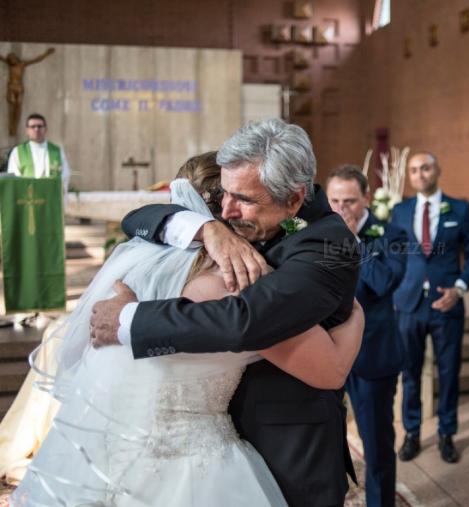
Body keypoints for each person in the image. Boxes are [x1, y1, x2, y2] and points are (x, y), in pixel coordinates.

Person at [11, 152, 365, 505]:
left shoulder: (130, 273)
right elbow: (330, 368)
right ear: (227, 210)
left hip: (121, 455)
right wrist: (355, 314)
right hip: (205, 462)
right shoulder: (241, 281)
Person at [391, 152, 469, 464]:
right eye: (414, 170)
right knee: (410, 373)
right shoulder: (399, 211)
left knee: (449, 372)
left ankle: (446, 434)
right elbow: (393, 254)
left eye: (425, 168)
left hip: (447, 302)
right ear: (410, 176)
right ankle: (412, 433)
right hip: (409, 303)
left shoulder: (460, 208)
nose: (420, 174)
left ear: (437, 170)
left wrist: (459, 288)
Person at [326, 165, 406, 507]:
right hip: (323, 354)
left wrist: (350, 241)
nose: (342, 209)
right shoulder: (316, 233)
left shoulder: (394, 236)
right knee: (325, 445)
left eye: (349, 201)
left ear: (366, 201)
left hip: (374, 355)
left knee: (377, 447)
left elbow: (385, 282)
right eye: (334, 201)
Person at [7, 113, 71, 192]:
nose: (36, 129)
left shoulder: (56, 151)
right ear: (27, 130)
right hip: (28, 197)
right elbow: (13, 175)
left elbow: (65, 174)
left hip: (51, 196)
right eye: (33, 127)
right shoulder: (18, 152)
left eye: (40, 126)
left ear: (46, 129)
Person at [0, 49, 54, 137]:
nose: (11, 61)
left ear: (16, 58)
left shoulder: (22, 64)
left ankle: (14, 128)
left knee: (18, 107)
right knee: (12, 105)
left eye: (12, 58)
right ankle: (11, 127)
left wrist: (47, 54)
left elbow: (37, 59)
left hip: (19, 87)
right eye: (9, 59)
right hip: (11, 87)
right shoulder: (9, 64)